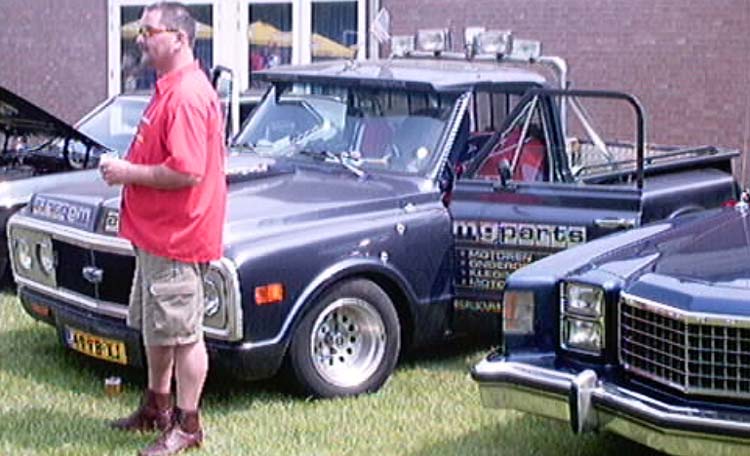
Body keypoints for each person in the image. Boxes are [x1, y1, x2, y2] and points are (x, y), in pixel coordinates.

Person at [99, 2, 226, 455]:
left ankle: (188, 426)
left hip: (179, 237)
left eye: (149, 31)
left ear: (179, 37)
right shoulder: (168, 88)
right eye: (140, 31)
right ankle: (157, 407)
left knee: (184, 333)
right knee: (158, 327)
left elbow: (187, 171)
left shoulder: (189, 94)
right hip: (155, 234)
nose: (141, 39)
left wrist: (126, 173)